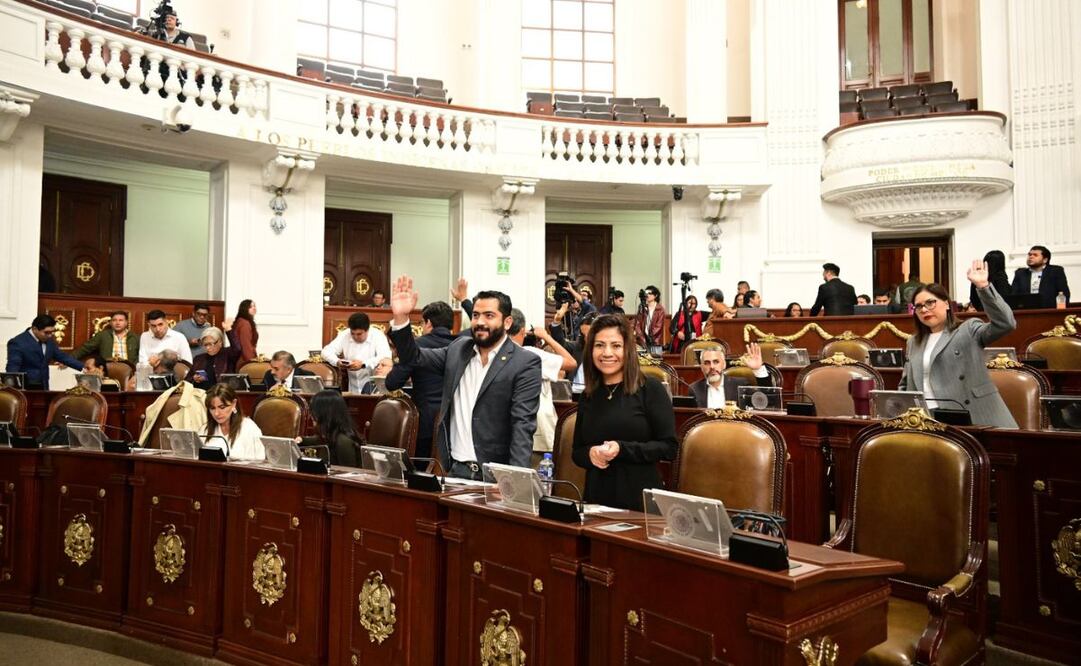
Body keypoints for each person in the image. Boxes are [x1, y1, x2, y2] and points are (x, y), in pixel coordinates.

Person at [386, 275, 542, 479]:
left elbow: (522, 425)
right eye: (476, 315)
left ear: (507, 322)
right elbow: (413, 357)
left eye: (489, 316)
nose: (480, 322)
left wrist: (514, 481)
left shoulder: (524, 362)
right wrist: (400, 319)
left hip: (495, 475)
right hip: (455, 471)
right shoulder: (459, 349)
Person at [571, 314, 676, 511]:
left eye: (616, 346)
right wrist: (590, 454)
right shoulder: (588, 395)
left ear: (628, 349)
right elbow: (577, 452)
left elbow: (668, 448)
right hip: (596, 502)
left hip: (639, 503)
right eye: (599, 345)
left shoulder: (650, 389)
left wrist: (622, 449)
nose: (607, 353)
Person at [898, 260, 1018, 428]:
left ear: (946, 304)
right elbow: (906, 383)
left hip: (971, 414)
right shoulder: (913, 341)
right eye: (918, 306)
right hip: (926, 419)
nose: (924, 309)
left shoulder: (967, 329)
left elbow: (1006, 323)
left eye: (930, 303)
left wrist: (983, 287)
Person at [385, 300, 456, 459]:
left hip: (424, 425)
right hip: (456, 426)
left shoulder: (415, 348)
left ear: (429, 323)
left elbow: (392, 383)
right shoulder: (460, 347)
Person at [508, 309, 576, 454]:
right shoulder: (531, 354)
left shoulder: (492, 354)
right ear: (522, 331)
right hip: (538, 433)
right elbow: (571, 363)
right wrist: (547, 337)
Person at [6, 315, 84, 390]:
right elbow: (13, 368)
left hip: (44, 387)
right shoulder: (18, 342)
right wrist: (14, 390)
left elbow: (62, 357)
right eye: (47, 332)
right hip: (26, 390)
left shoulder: (49, 340)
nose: (50, 335)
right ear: (35, 329)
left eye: (52, 332)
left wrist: (83, 368)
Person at [321, 312, 393, 393]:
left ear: (367, 330)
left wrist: (364, 364)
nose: (355, 337)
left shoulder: (377, 335)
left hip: (375, 389)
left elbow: (385, 357)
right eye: (353, 333)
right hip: (352, 387)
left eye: (359, 334)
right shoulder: (345, 334)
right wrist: (337, 361)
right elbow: (325, 352)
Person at [689, 344, 772, 408]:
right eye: (707, 363)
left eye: (716, 362)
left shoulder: (740, 385)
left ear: (724, 364)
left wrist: (758, 369)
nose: (712, 367)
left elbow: (766, 401)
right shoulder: (695, 389)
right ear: (701, 367)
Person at [296, 390, 361, 466]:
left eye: (314, 411)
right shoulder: (332, 435)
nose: (311, 416)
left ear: (324, 413)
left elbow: (348, 474)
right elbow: (317, 440)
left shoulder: (343, 441)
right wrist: (301, 440)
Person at [200, 383, 264, 460]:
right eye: (212, 408)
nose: (216, 413)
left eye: (222, 407)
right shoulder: (204, 430)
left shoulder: (249, 429)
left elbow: (259, 462)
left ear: (234, 404)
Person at [229, 299, 259, 366]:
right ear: (245, 308)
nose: (254, 308)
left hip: (241, 358)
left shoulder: (242, 321)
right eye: (251, 307)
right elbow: (246, 344)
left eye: (254, 306)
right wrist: (251, 362)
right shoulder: (244, 323)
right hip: (244, 360)